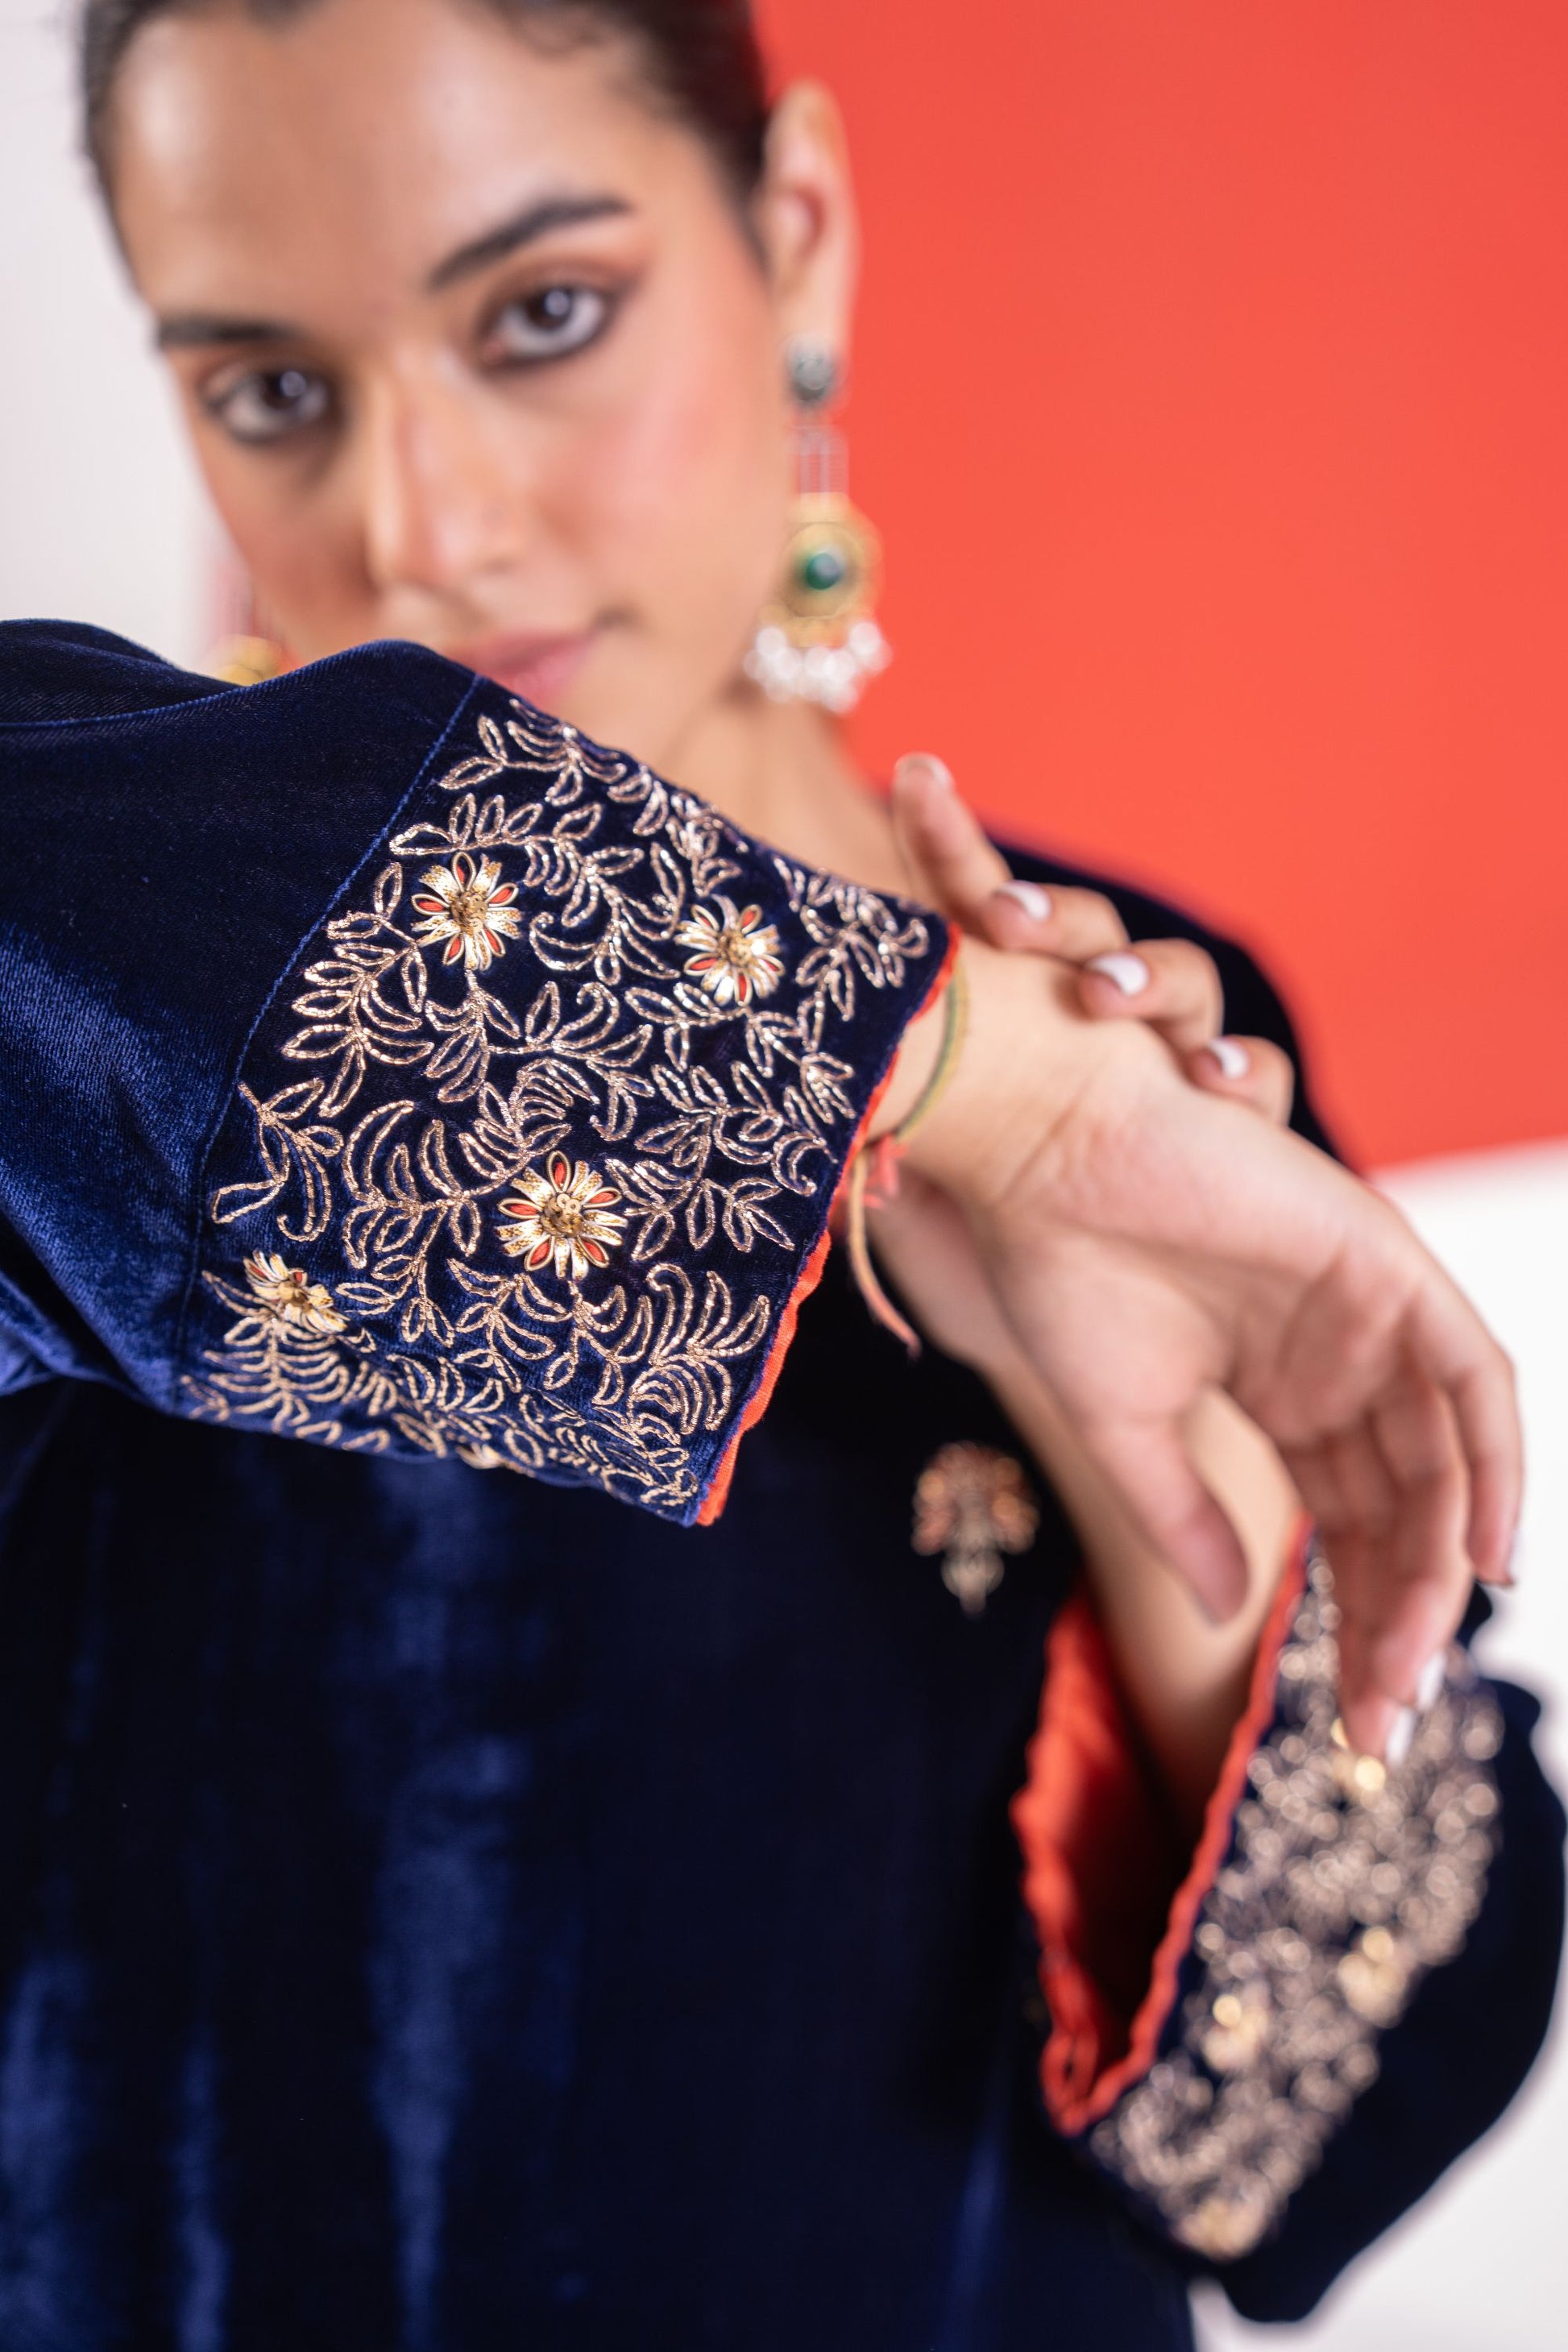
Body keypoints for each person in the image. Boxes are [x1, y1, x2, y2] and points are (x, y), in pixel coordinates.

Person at [0, 2, 1553, 2343]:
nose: (418, 521)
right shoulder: (97, 1021)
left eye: (542, 315)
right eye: (275, 387)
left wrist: (1169, 1478)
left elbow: (1326, 2134)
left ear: (794, 235)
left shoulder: (1149, 1020)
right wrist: (949, 1080)